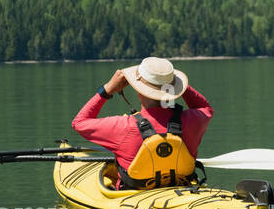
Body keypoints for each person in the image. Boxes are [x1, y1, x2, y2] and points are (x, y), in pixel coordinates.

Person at [72, 56, 214, 189]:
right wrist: (175, 84)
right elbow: (206, 108)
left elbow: (79, 122)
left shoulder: (123, 127)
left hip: (134, 199)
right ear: (174, 90)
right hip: (182, 190)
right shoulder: (194, 119)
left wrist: (107, 90)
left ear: (138, 91)